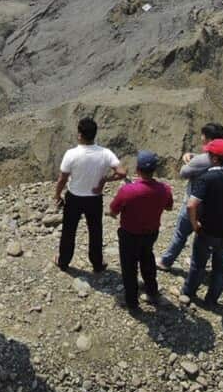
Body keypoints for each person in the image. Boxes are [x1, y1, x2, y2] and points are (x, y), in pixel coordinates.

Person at [54, 117, 126, 272]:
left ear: (80, 134)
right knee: (95, 231)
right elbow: (122, 172)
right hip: (94, 199)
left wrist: (57, 195)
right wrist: (104, 180)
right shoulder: (106, 153)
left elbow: (62, 179)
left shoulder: (71, 154)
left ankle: (64, 261)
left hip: (74, 198)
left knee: (68, 231)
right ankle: (97, 263)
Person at [181, 140, 223, 306]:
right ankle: (212, 299)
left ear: (216, 159)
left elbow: (191, 205)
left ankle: (189, 292)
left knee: (198, 264)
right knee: (220, 264)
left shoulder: (207, 178)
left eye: (209, 155)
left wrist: (195, 224)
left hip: (208, 230)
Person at [109, 151, 173, 311]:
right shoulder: (164, 189)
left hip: (129, 234)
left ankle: (132, 302)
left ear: (137, 170)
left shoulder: (127, 190)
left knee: (129, 267)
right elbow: (169, 207)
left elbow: (113, 211)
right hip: (151, 233)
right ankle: (152, 291)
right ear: (154, 170)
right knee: (147, 259)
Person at [159, 123, 223, 271]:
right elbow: (207, 160)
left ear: (208, 139)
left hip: (194, 202)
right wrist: (194, 157)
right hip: (213, 203)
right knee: (204, 236)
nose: (201, 137)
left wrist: (188, 160)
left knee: (181, 234)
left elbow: (184, 172)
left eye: (203, 135)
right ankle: (199, 263)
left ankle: (166, 261)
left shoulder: (202, 160)